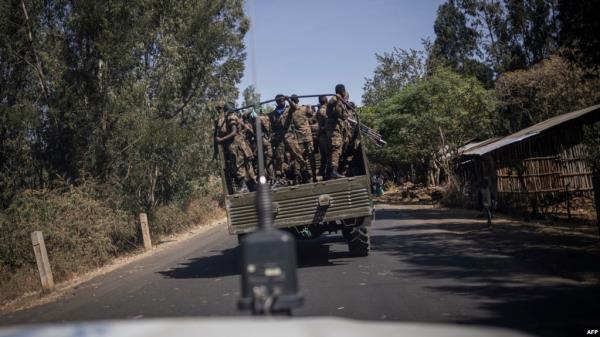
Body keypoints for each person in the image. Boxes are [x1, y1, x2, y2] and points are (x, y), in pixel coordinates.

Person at [215, 103, 256, 193]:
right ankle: (253, 186)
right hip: (242, 144)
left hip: (236, 145)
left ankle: (244, 187)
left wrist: (221, 140)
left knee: (239, 165)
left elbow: (233, 132)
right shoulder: (236, 116)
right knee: (247, 165)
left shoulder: (231, 117)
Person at [269, 94, 306, 185]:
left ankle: (304, 173)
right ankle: (279, 177)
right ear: (277, 102)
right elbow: (272, 126)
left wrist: (289, 99)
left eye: (283, 100)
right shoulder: (273, 114)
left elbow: (295, 108)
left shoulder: (288, 109)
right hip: (279, 137)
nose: (282, 102)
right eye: (280, 100)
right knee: (279, 157)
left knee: (297, 154)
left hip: (289, 135)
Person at [289, 94, 316, 182]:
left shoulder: (290, 111)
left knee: (299, 157)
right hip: (307, 136)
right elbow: (311, 115)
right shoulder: (304, 108)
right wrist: (309, 107)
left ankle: (297, 177)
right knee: (311, 155)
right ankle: (314, 176)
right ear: (298, 100)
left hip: (298, 138)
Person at [325, 84, 350, 179]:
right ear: (342, 91)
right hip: (333, 130)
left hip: (337, 129)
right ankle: (333, 172)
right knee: (336, 148)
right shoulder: (334, 100)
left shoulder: (341, 102)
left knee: (337, 149)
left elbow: (344, 115)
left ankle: (332, 171)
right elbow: (330, 104)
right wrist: (336, 97)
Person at [315, 95, 330, 179]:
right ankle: (326, 174)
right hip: (325, 136)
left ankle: (323, 173)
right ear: (326, 100)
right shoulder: (324, 110)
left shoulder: (319, 110)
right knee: (327, 156)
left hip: (322, 136)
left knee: (324, 157)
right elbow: (328, 122)